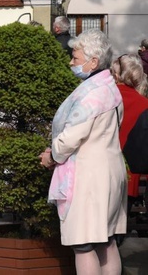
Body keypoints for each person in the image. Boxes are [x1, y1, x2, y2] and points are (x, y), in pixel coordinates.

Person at [39, 30, 126, 274]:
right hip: (109, 170)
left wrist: (52, 155)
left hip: (88, 177)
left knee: (84, 243)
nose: (71, 62)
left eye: (75, 58)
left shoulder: (92, 94)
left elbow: (71, 136)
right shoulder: (110, 88)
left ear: (93, 62)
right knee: (106, 240)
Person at [110, 54, 148, 210]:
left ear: (117, 75)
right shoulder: (144, 103)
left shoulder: (107, 97)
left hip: (106, 165)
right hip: (132, 171)